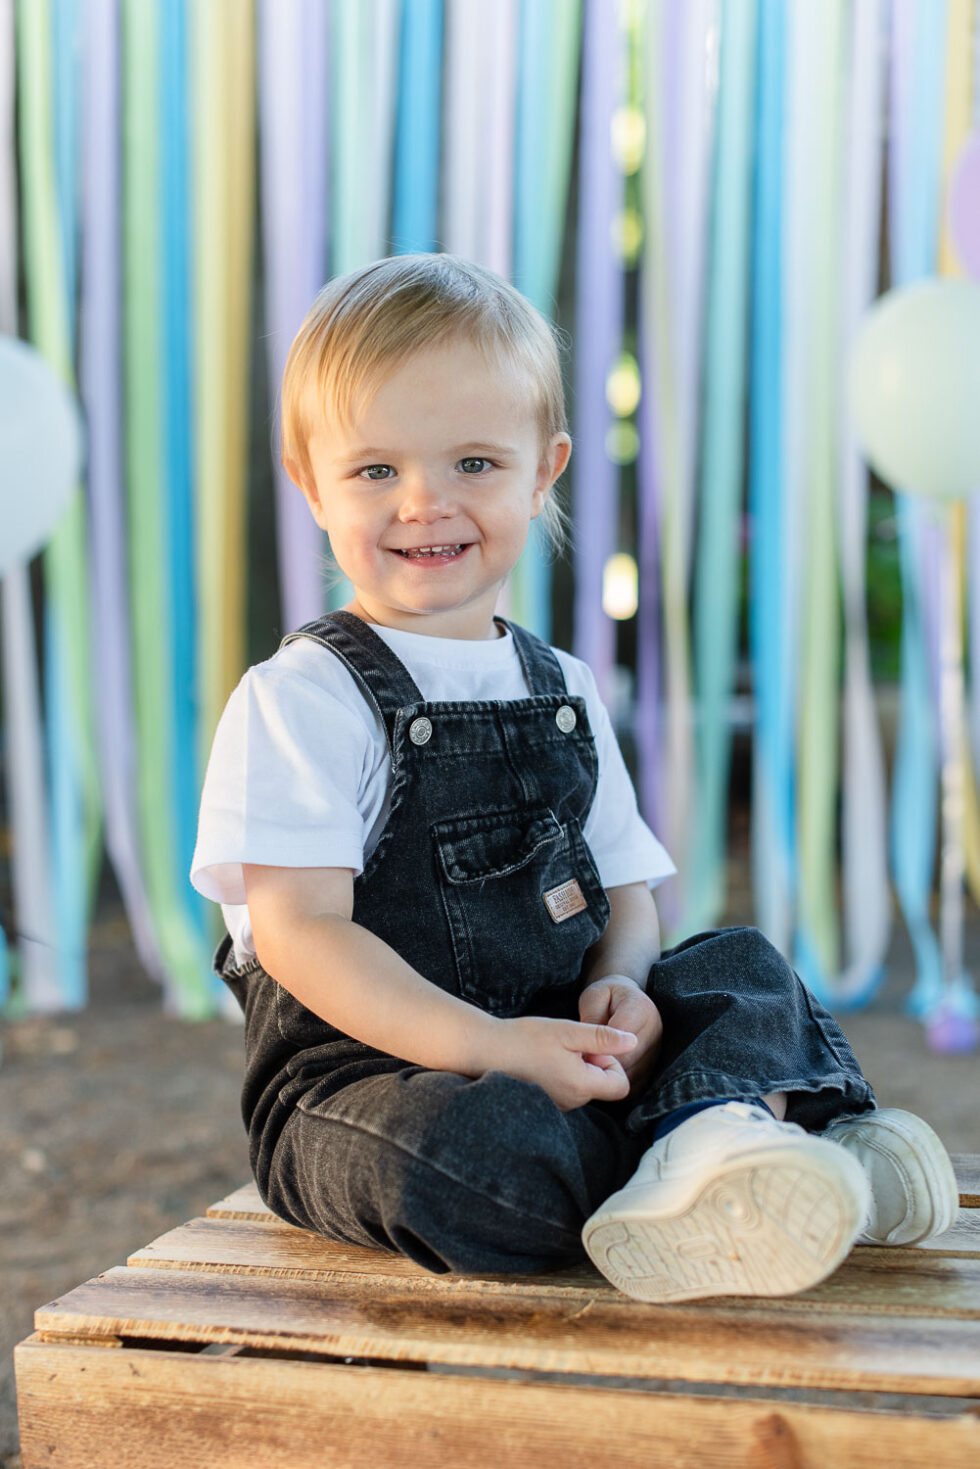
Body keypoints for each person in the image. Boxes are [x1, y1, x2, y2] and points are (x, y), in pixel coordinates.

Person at [191, 253, 957, 1304]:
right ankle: (729, 1149)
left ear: (542, 469)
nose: (425, 503)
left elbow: (625, 891)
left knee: (735, 960)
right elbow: (300, 933)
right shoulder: (304, 697)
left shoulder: (560, 684)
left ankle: (718, 1146)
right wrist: (491, 1047)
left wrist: (626, 983)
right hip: (365, 1078)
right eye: (376, 470)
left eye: (472, 462)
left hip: (567, 1050)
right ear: (308, 477)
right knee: (453, 1152)